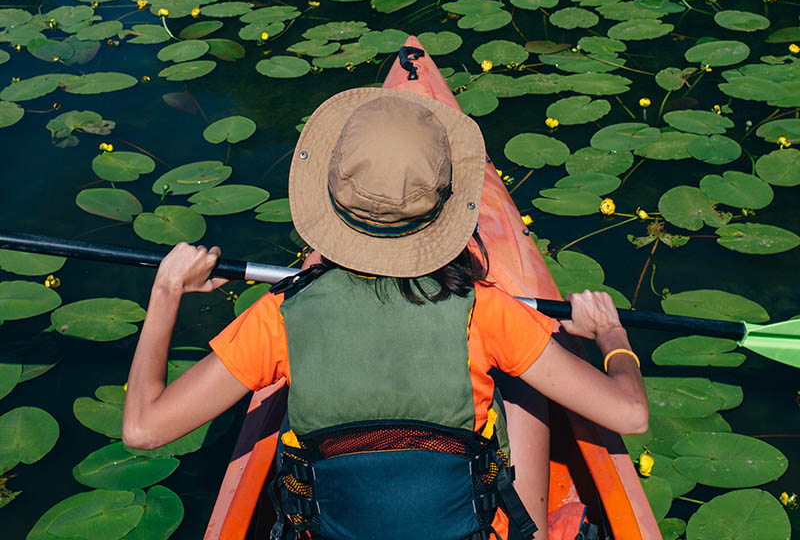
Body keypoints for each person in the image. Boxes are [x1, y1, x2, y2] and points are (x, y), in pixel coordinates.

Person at [122, 88, 648, 540]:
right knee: (530, 380)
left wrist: (167, 290)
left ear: (332, 207)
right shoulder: (488, 311)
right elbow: (630, 414)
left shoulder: (279, 317)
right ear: (441, 211)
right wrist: (611, 336)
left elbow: (143, 428)